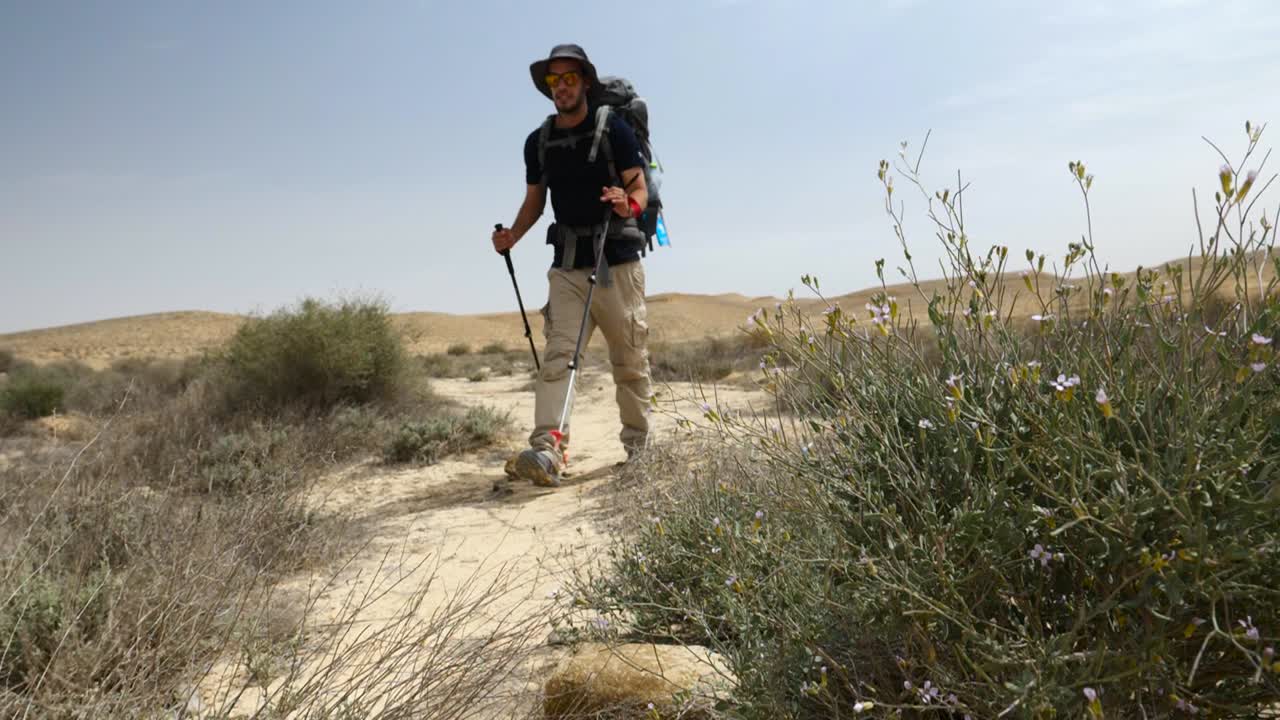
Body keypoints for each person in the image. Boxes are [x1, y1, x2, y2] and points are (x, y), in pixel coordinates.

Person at [492, 44, 652, 487]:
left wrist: (626, 204)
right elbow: (533, 203)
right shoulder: (539, 142)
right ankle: (548, 450)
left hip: (617, 263)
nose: (560, 87)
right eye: (553, 81)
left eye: (568, 78)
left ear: (584, 82)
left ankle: (640, 451)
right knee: (559, 358)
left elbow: (638, 190)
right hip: (567, 268)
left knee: (630, 362)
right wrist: (512, 237)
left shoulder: (615, 130)